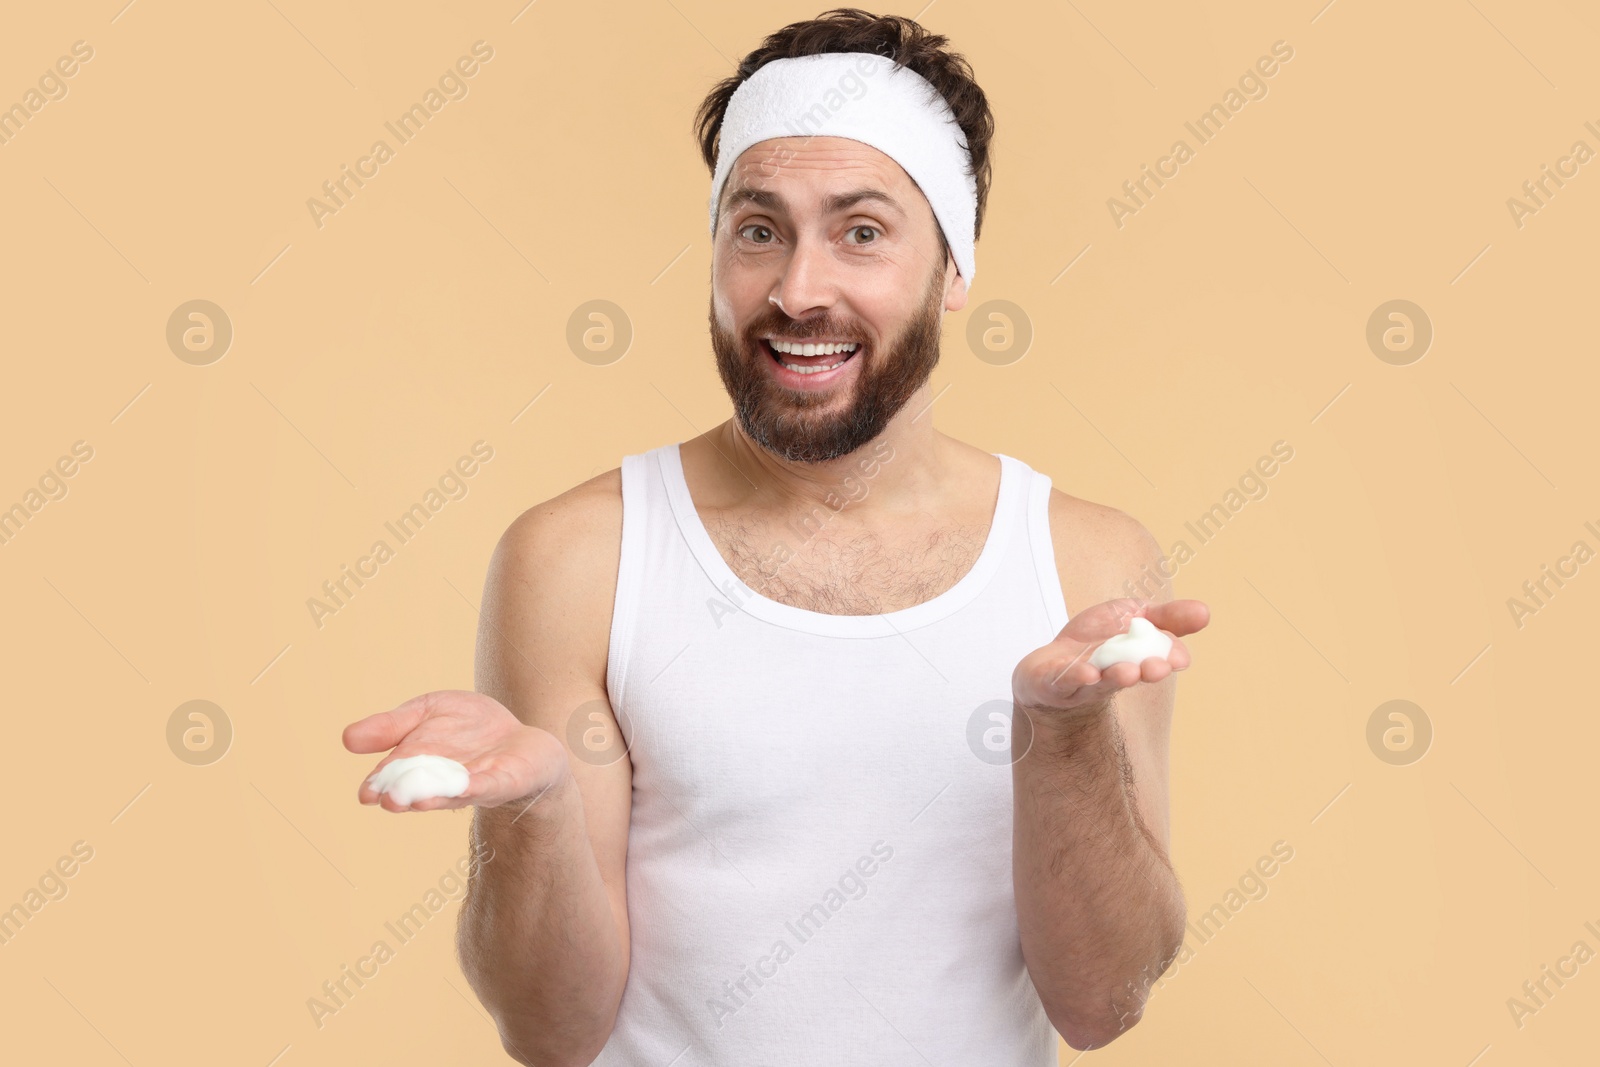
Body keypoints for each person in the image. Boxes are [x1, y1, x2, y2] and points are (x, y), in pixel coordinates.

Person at [341, 9, 1209, 1065]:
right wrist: (531, 816)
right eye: (758, 229)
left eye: (861, 231)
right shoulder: (577, 558)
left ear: (954, 267)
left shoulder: (1088, 572)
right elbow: (552, 1028)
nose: (798, 290)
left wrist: (1061, 735)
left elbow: (1101, 1002)